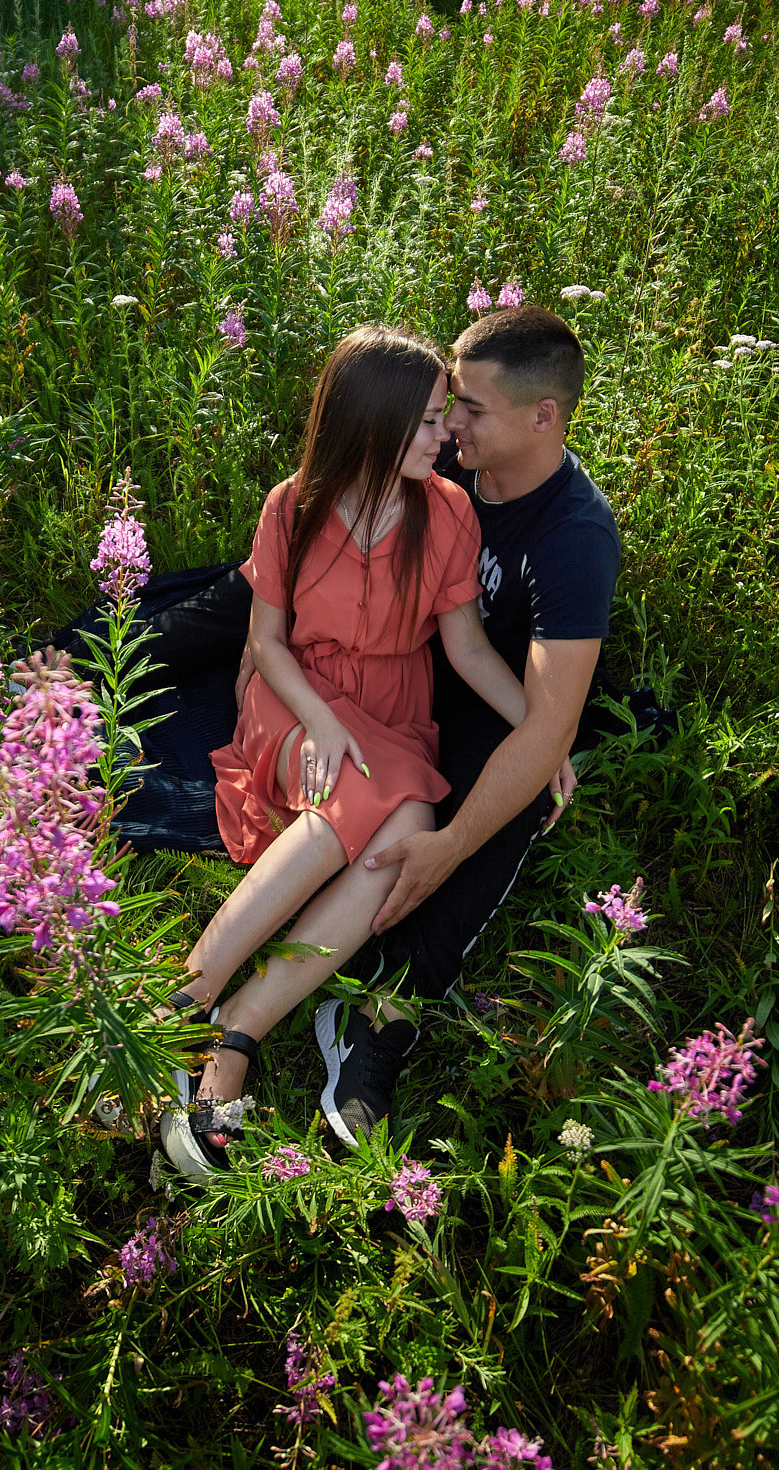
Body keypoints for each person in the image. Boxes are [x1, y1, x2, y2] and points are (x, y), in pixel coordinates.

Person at [157, 326, 574, 1183]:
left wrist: (545, 729)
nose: (446, 438)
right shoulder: (296, 504)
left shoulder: (446, 512)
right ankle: (192, 998)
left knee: (403, 830)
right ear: (379, 427)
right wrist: (316, 722)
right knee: (375, 804)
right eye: (428, 422)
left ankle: (237, 1021)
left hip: (392, 714)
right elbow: (266, 641)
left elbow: (463, 648)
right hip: (294, 700)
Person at [311, 305, 623, 1152]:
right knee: (250, 606)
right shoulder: (441, 445)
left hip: (480, 685)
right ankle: (86, 650)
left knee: (517, 795)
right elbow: (319, 520)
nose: (450, 422)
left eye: (471, 409)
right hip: (382, 642)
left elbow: (543, 719)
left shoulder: (575, 538)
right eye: (452, 400)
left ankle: (382, 1015)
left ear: (543, 416)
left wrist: (463, 830)